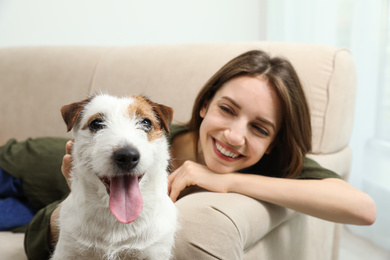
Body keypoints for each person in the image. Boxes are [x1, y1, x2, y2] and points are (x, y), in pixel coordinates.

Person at [24, 50, 376, 259]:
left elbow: (362, 209)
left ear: (273, 143)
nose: (234, 136)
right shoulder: (139, 139)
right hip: (22, 166)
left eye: (260, 128)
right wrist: (79, 194)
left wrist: (225, 180)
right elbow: (38, 234)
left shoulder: (269, 163)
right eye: (227, 109)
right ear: (205, 104)